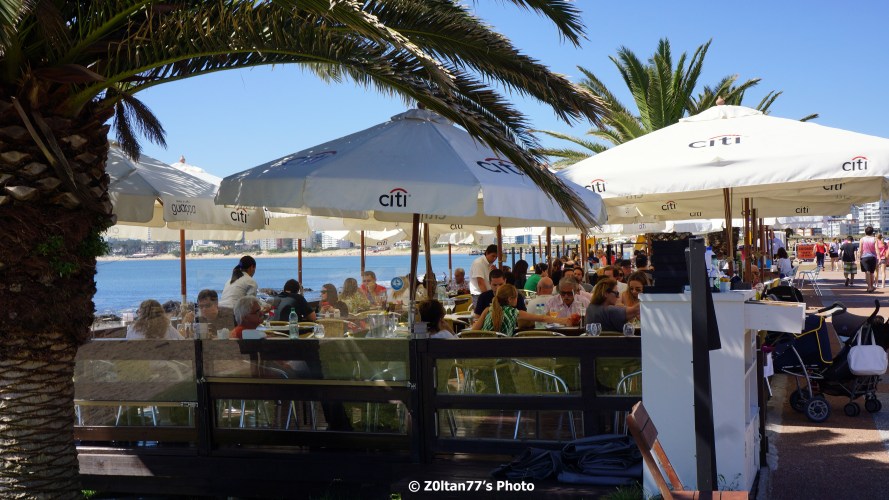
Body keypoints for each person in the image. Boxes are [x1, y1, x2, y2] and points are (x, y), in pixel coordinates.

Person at [471, 284, 570, 336]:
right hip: (502, 354)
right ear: (510, 299)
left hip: (482, 352)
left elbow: (473, 330)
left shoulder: (487, 310)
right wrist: (564, 320)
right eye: (516, 297)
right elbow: (542, 318)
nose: (518, 300)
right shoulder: (514, 312)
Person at [859, 226, 878, 293]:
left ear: (865, 232)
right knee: (872, 273)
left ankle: (869, 287)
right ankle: (871, 286)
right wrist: (878, 257)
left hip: (864, 257)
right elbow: (876, 249)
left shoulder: (862, 239)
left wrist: (859, 257)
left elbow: (860, 250)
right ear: (872, 232)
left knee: (867, 272)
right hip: (873, 257)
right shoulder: (874, 239)